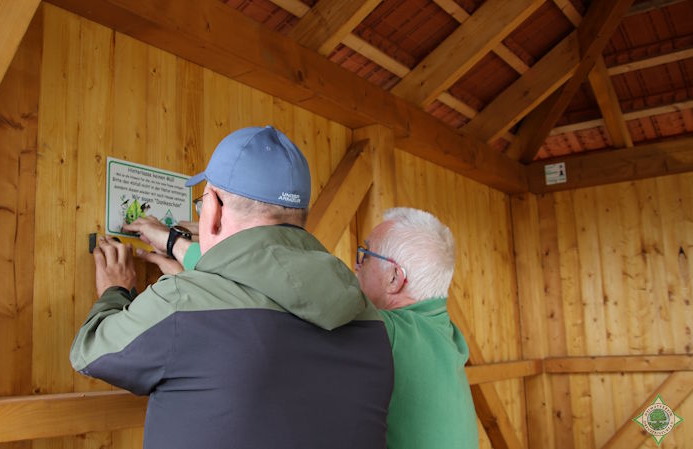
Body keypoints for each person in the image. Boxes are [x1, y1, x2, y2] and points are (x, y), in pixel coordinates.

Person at [70, 126, 394, 449]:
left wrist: (115, 289)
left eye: (201, 204)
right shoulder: (370, 318)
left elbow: (90, 351)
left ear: (213, 209)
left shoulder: (181, 302)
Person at [355, 207, 479, 449]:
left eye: (366, 254)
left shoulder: (387, 332)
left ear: (395, 278)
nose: (356, 264)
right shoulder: (446, 333)